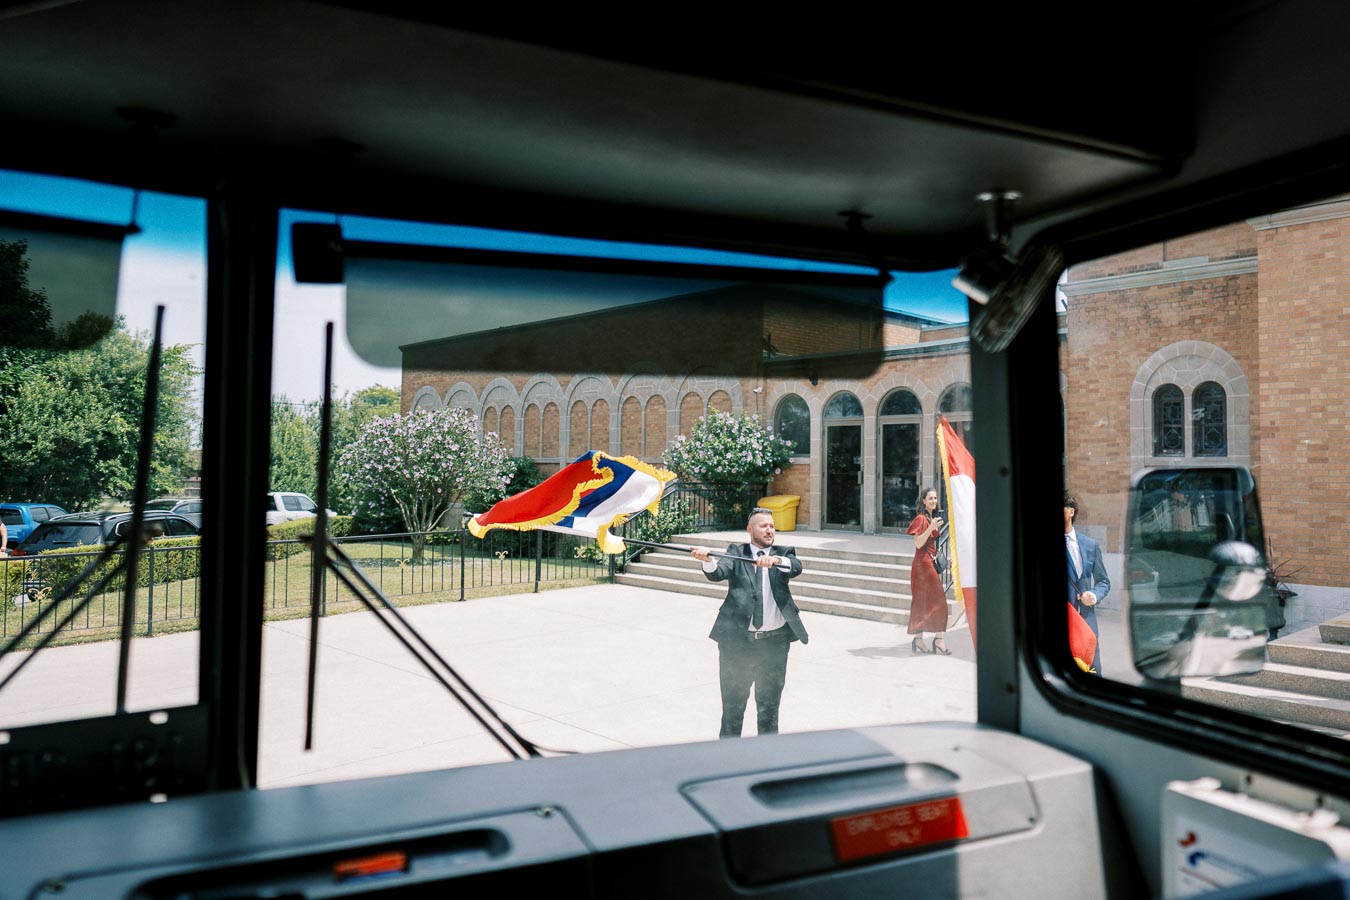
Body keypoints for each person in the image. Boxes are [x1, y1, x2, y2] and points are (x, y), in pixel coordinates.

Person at [691, 507, 808, 738]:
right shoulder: (737, 552)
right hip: (737, 644)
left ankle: (766, 761)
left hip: (774, 645)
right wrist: (708, 560)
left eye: (772, 526)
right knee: (733, 710)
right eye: (763, 525)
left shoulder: (783, 553)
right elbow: (718, 572)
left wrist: (774, 560)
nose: (769, 530)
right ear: (749, 529)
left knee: (769, 710)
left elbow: (796, 567)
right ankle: (729, 761)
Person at [1065, 491, 1109, 674]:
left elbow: (1103, 582)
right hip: (1063, 622)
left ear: (1071, 512)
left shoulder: (1091, 545)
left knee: (1093, 670)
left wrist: (1094, 595)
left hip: (1087, 620)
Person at [906, 486, 950, 654]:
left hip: (928, 562)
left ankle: (920, 640)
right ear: (923, 501)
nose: (934, 501)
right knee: (936, 600)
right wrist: (931, 527)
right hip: (921, 564)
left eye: (935, 498)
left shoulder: (932, 518)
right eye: (930, 498)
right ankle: (937, 640)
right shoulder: (920, 519)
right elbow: (917, 544)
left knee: (924, 602)